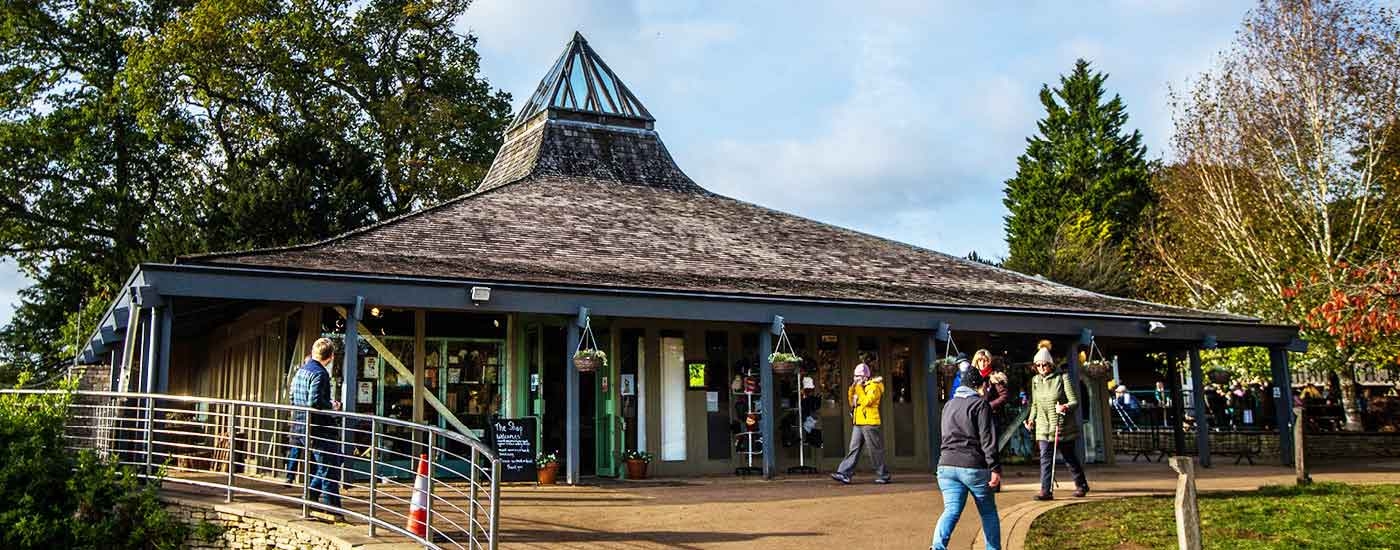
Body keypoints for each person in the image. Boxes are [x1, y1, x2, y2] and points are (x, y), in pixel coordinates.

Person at [930, 368, 1001, 550]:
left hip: (946, 466)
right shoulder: (980, 405)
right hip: (973, 466)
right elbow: (987, 440)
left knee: (951, 511)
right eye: (985, 386)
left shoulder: (949, 405)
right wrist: (994, 468)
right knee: (988, 512)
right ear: (979, 386)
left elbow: (944, 435)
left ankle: (937, 547)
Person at [1025, 340, 1089, 500]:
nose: (1041, 368)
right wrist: (1031, 419)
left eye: (1044, 365)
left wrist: (1065, 407)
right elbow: (1035, 404)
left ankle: (1081, 485)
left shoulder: (1062, 378)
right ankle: (1045, 491)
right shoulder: (1035, 381)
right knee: (1045, 459)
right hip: (1043, 425)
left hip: (1061, 425)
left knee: (1069, 457)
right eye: (1037, 365)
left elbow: (1074, 401)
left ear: (1050, 364)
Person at [290, 338, 343, 509]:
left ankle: (310, 496)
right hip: (317, 428)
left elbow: (292, 397)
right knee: (330, 469)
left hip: (301, 426)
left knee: (333, 461)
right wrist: (332, 406)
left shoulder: (300, 371)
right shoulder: (320, 373)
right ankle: (333, 509)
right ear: (331, 356)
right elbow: (315, 402)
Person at [831, 354, 890, 484]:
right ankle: (844, 473)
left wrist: (858, 389)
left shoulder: (874, 386)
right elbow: (852, 403)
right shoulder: (860, 387)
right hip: (858, 422)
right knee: (854, 448)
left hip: (870, 422)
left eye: (858, 376)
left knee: (874, 450)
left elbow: (867, 402)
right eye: (855, 376)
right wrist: (852, 389)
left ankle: (883, 475)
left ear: (865, 377)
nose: (855, 378)